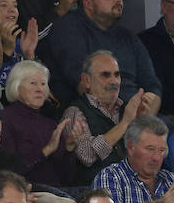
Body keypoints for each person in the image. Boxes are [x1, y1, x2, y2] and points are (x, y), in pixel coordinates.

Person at [42, 0, 161, 102]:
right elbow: (85, 84)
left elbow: (151, 83)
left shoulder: (128, 36)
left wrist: (151, 104)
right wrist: (131, 112)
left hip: (138, 112)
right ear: (88, 3)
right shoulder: (68, 28)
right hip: (98, 114)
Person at [60, 51, 142, 181]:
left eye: (117, 75)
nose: (114, 81)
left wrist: (143, 119)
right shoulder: (75, 111)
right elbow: (86, 156)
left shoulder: (128, 110)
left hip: (130, 187)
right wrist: (124, 124)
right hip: (92, 192)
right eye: (105, 75)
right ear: (86, 80)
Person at [0, 60, 82, 187]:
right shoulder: (4, 119)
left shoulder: (51, 124)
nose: (39, 89)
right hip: (24, 193)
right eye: (33, 83)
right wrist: (47, 150)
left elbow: (66, 178)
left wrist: (69, 148)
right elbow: (9, 170)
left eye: (43, 84)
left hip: (58, 195)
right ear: (16, 86)